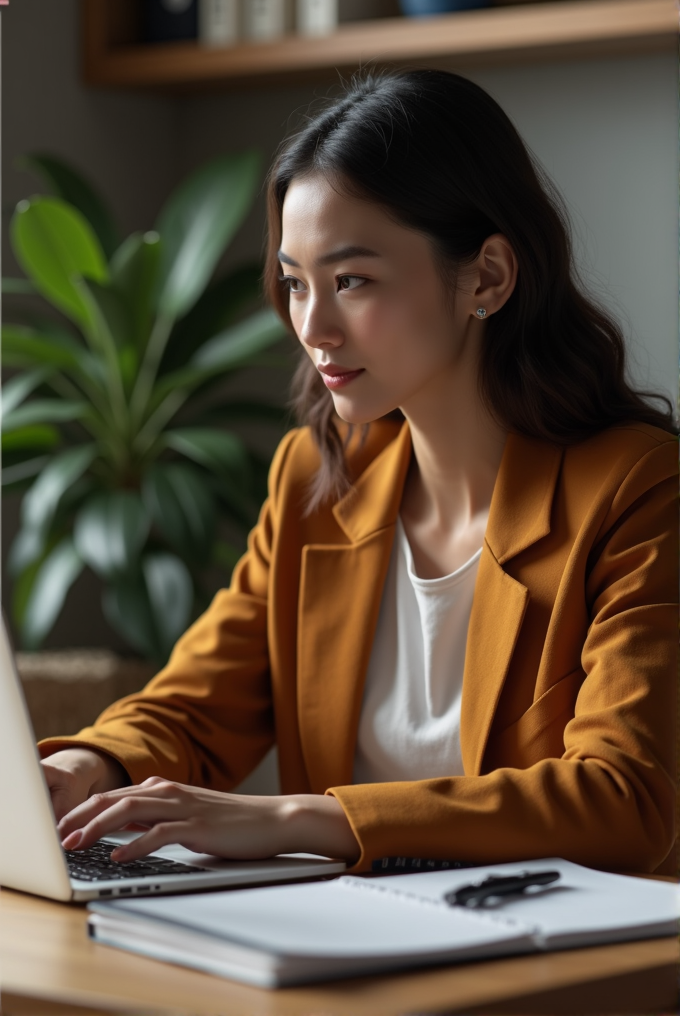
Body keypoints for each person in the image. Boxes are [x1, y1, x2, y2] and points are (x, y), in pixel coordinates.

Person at [41, 71, 677, 876]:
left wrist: (294, 818)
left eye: (352, 281)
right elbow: (198, 705)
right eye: (297, 282)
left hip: (555, 967)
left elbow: (623, 799)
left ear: (487, 276)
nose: (312, 326)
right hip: (347, 953)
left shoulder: (636, 488)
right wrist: (86, 768)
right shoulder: (315, 478)